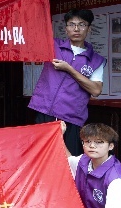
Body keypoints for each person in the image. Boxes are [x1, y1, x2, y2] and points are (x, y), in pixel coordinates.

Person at [30, 9, 105, 155]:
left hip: (72, 118)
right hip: (45, 111)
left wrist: (69, 69)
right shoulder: (53, 46)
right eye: (71, 24)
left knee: (69, 160)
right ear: (66, 29)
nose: (76, 29)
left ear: (89, 29)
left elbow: (96, 90)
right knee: (41, 157)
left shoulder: (96, 60)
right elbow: (32, 36)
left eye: (82, 24)